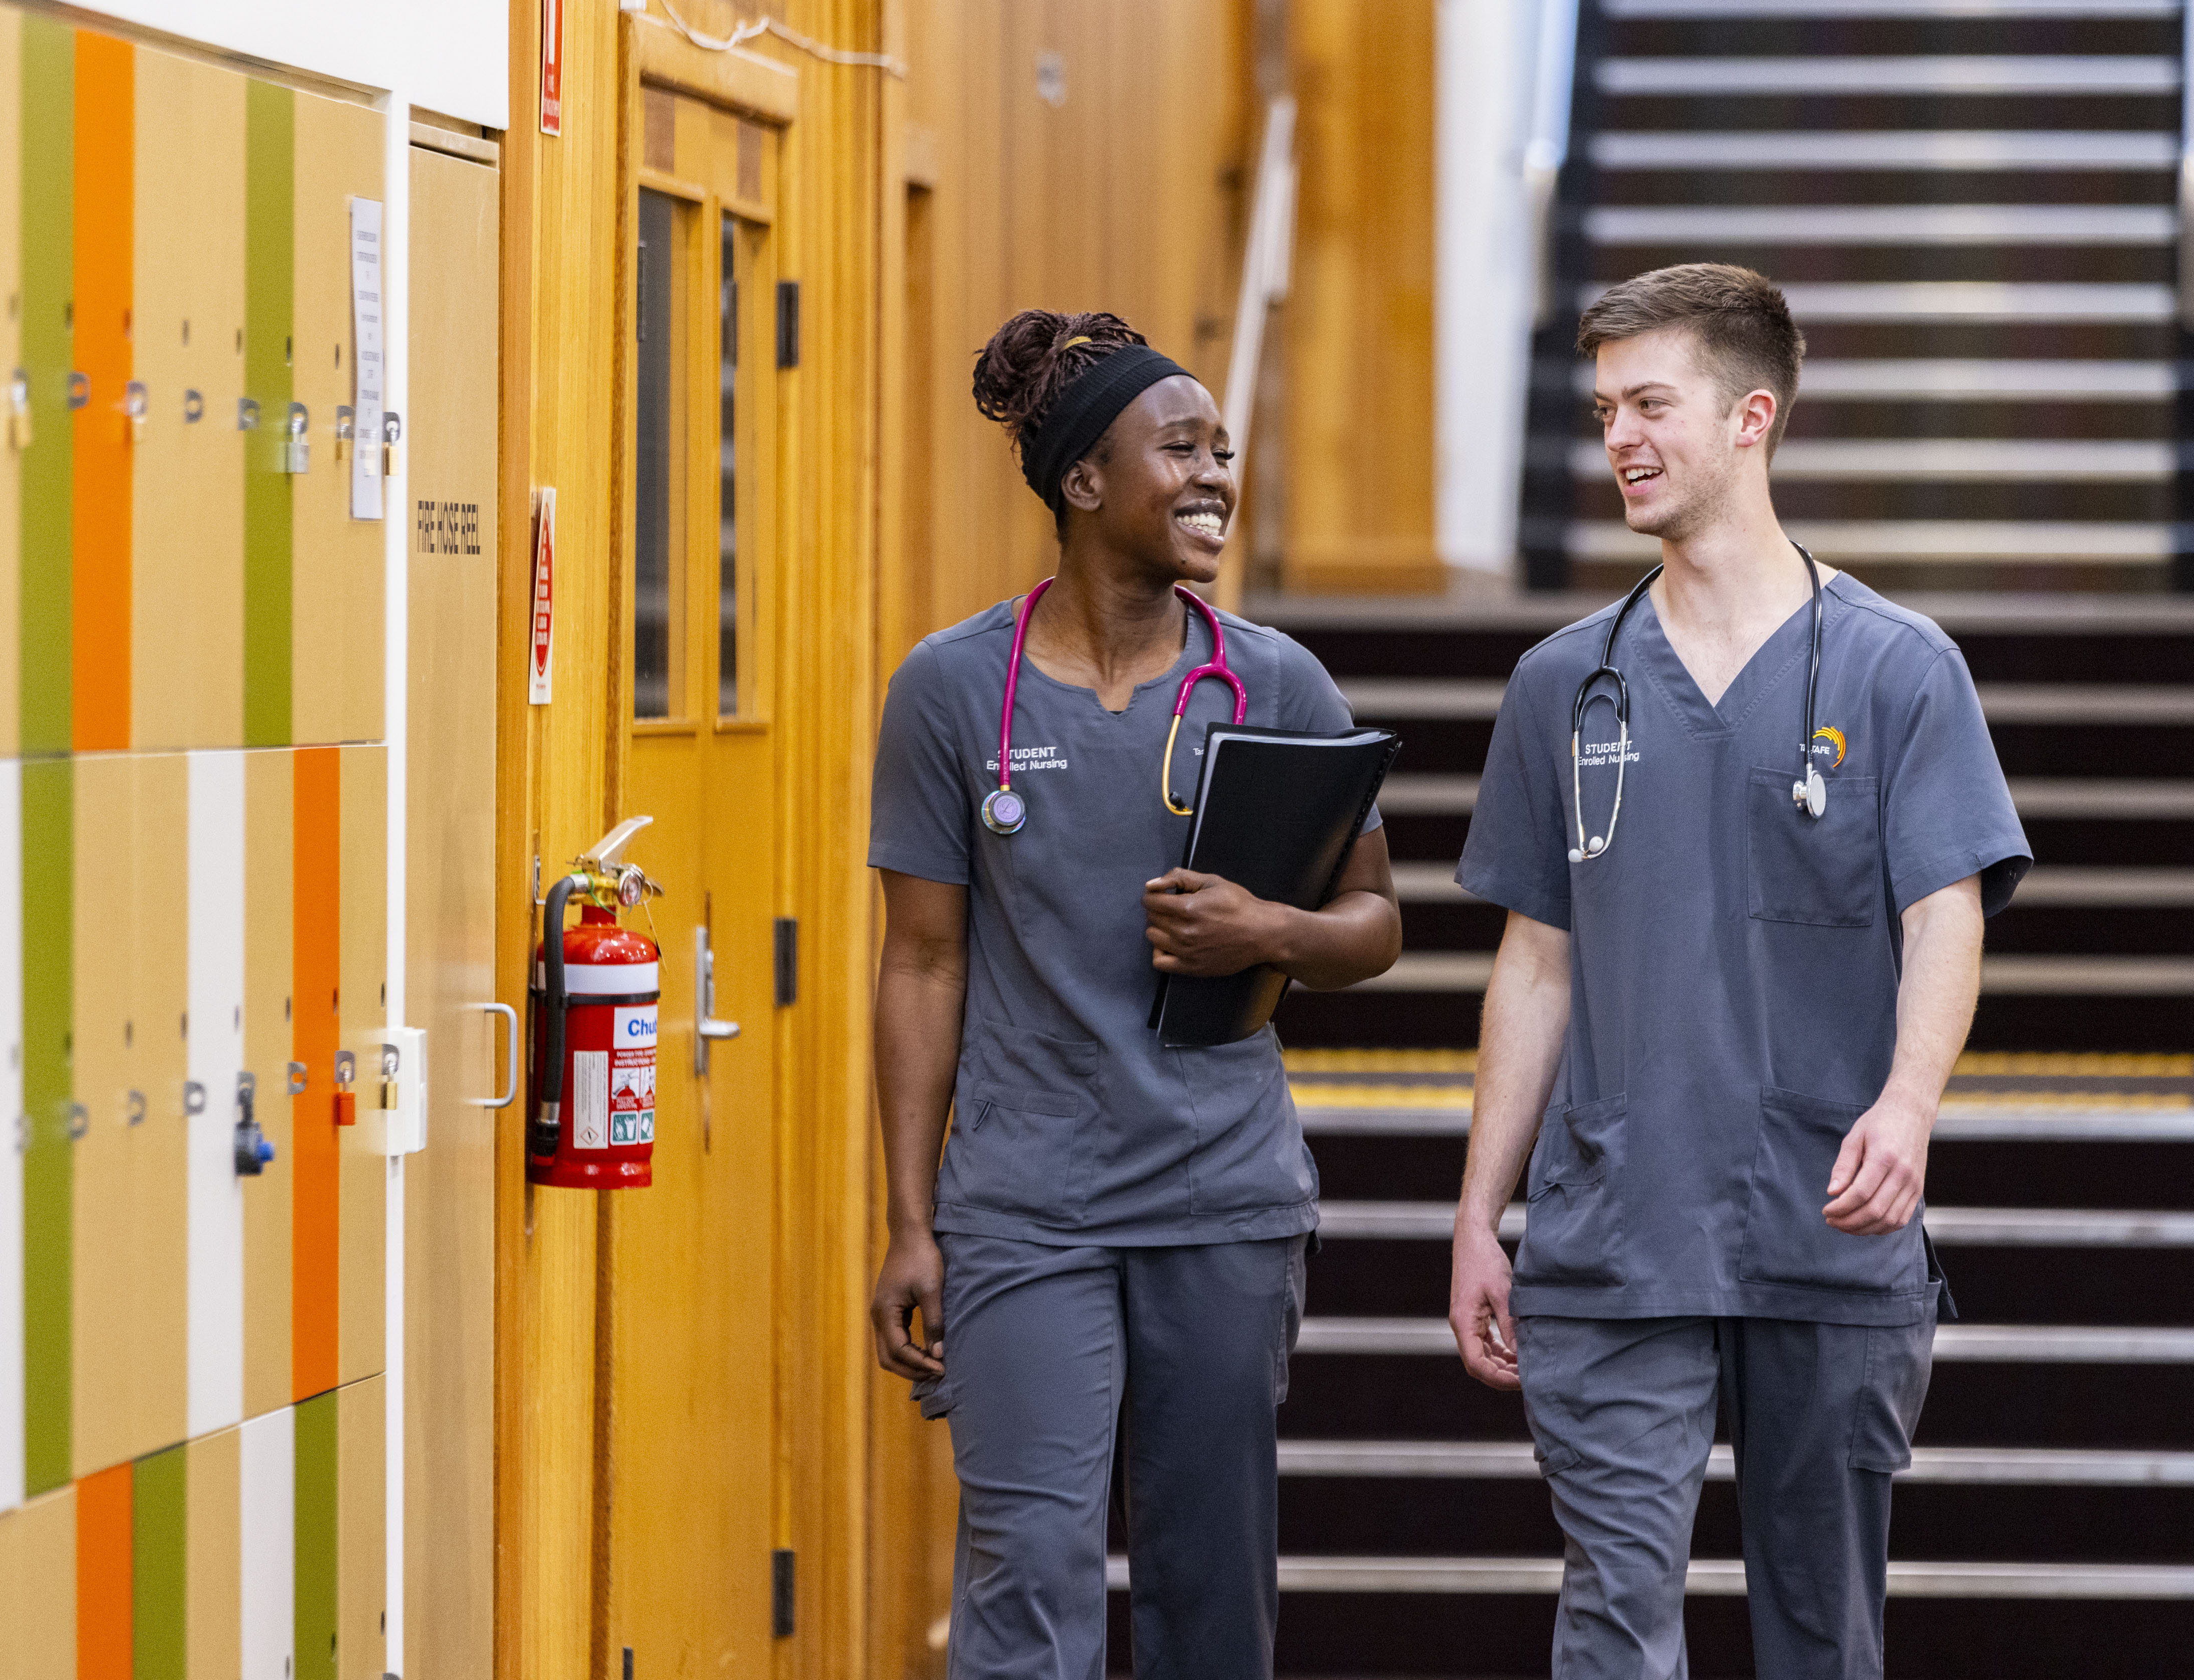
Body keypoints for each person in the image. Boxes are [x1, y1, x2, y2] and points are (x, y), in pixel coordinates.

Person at [1447, 264, 2031, 1678]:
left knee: (1823, 1636)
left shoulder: (1900, 670)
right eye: (1603, 411)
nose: (1621, 440)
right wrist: (1480, 1212)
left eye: (1653, 404)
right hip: (1611, 1235)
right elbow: (1536, 961)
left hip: (1826, 1234)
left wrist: (1907, 1106)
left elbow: (1945, 911)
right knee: (1613, 1625)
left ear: (1752, 416)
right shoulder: (1563, 687)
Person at [866, 309, 1403, 1680]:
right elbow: (922, 961)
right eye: (1182, 449)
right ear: (1083, 483)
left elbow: (1375, 926)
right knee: (1025, 1576)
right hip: (1026, 1205)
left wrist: (1265, 926)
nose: (1218, 474)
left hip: (1221, 1198)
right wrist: (910, 1222)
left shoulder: (1273, 683)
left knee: (1208, 1586)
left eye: (1224, 450)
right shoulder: (951, 693)